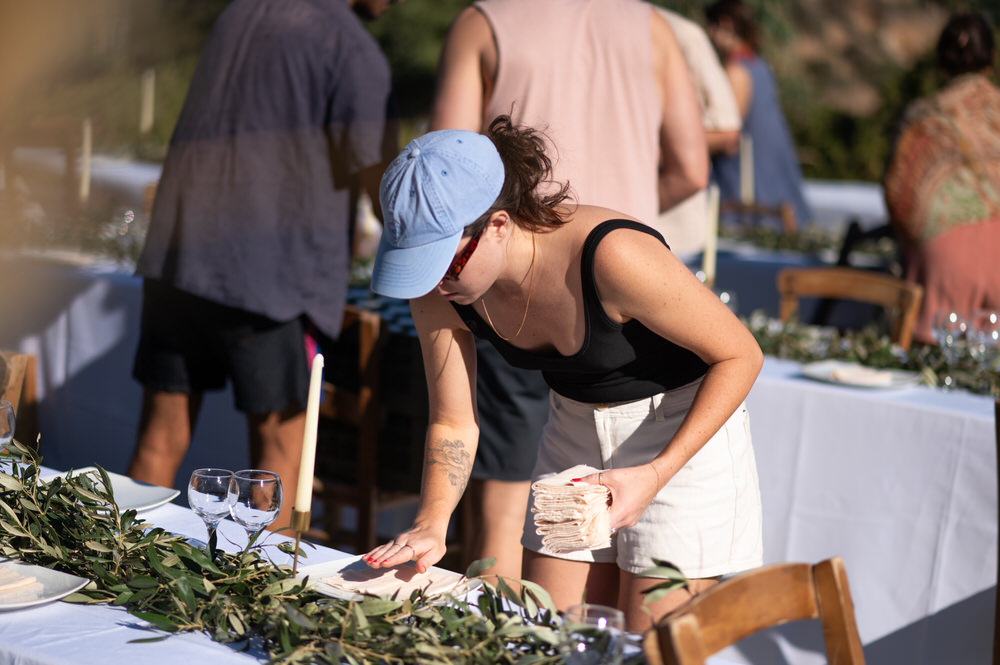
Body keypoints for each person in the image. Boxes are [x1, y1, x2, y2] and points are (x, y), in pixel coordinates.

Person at [364, 118, 763, 631]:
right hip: (573, 432)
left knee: (652, 646)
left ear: (499, 225)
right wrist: (431, 522)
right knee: (552, 636)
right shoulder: (442, 289)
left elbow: (740, 355)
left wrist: (656, 473)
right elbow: (453, 421)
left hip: (680, 438)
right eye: (421, 262)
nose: (436, 282)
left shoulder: (613, 255)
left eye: (447, 261)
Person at [429, 0, 709, 583]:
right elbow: (691, 169)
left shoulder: (483, 23)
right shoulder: (653, 27)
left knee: (505, 502)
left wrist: (580, 234)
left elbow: (446, 165)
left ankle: (494, 627)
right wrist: (621, 216)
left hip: (515, 271)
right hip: (616, 284)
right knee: (599, 579)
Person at [127, 0, 399, 531]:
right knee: (277, 461)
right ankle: (266, 584)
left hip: (182, 257)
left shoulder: (242, 10)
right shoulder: (350, 47)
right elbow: (383, 182)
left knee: (157, 443)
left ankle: (114, 567)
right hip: (271, 278)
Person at [883, 11, 1000, 344]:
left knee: (934, 357)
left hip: (943, 254)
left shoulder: (922, 116)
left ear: (941, 63)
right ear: (991, 58)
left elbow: (898, 192)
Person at [705, 0, 812, 227]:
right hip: (773, 175)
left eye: (710, 28)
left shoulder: (736, 70)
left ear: (724, 24)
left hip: (748, 185)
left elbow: (728, 133)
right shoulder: (760, 65)